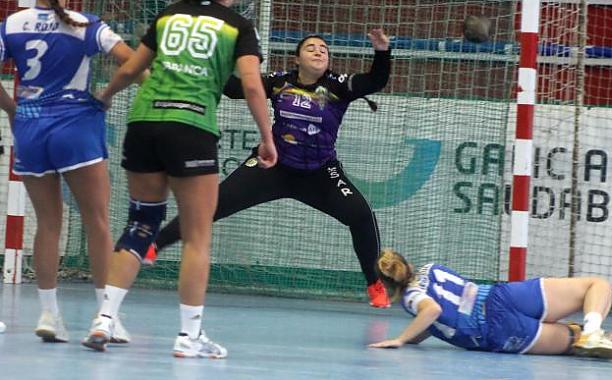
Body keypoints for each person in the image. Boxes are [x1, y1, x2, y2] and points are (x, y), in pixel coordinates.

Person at [81, 0, 277, 358]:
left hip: (144, 123)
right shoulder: (238, 26)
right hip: (192, 126)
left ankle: (104, 319)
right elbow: (251, 85)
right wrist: (267, 136)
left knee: (140, 224)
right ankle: (189, 336)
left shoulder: (168, 14)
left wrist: (105, 97)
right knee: (197, 236)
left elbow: (131, 69)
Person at [146, 29, 393, 308]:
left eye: (323, 48)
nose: (318, 51)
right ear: (296, 59)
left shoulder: (339, 86)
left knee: (361, 215)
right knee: (211, 204)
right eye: (310, 47)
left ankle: (374, 283)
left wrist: (382, 51)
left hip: (320, 173)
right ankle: (154, 245)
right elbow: (234, 89)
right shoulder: (279, 82)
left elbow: (376, 79)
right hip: (273, 167)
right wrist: (217, 59)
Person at [0, 0, 135, 343]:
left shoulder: (13, 23)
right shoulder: (84, 23)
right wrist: (105, 95)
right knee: (97, 221)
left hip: (30, 127)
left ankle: (49, 314)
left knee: (48, 222)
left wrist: (13, 109)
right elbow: (133, 63)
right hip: (75, 125)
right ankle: (106, 317)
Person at [368, 249, 612, 358]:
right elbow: (434, 320)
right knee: (597, 285)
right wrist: (416, 337)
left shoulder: (411, 299)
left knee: (573, 341)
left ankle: (596, 336)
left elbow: (432, 311)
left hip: (493, 330)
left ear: (387, 284)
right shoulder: (431, 268)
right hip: (501, 296)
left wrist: (399, 339)